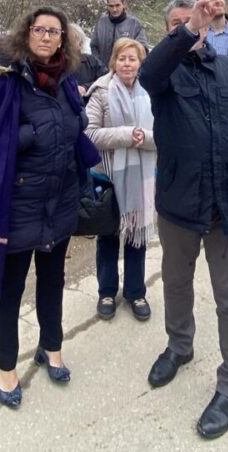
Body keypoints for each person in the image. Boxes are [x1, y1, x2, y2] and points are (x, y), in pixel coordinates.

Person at [138, 0, 228, 440]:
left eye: (195, 22)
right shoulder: (163, 76)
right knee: (176, 282)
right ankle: (179, 346)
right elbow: (151, 71)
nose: (188, 28)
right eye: (177, 24)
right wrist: (191, 26)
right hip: (179, 204)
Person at [0, 6, 100, 409]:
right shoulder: (3, 81)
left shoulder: (68, 83)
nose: (46, 37)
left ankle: (51, 347)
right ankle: (6, 366)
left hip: (59, 203)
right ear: (27, 34)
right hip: (17, 206)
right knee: (10, 290)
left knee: (52, 281)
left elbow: (76, 132)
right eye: (39, 29)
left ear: (63, 40)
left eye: (54, 31)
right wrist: (26, 133)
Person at [85, 37, 156, 323]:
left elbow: (163, 132)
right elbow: (88, 134)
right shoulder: (101, 90)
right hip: (108, 175)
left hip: (142, 177)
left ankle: (136, 292)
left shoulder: (150, 92)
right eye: (122, 58)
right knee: (108, 235)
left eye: (133, 59)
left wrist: (145, 139)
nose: (127, 64)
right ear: (114, 61)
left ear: (140, 63)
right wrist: (127, 136)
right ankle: (106, 291)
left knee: (137, 236)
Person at [90, 0, 149, 65]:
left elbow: (143, 49)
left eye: (117, 5)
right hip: (103, 72)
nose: (114, 9)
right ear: (108, 6)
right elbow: (94, 46)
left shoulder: (134, 24)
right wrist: (98, 64)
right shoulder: (101, 22)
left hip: (126, 70)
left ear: (124, 5)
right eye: (111, 6)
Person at [70, 23, 107, 101]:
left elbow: (106, 79)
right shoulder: (55, 63)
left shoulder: (92, 61)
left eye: (72, 40)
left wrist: (86, 87)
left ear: (80, 43)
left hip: (90, 106)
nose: (69, 44)